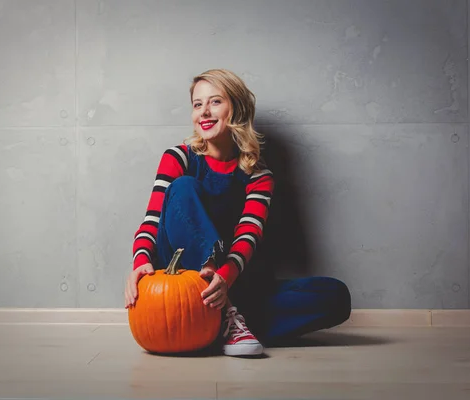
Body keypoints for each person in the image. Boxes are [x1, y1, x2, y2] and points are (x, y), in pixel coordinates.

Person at [125, 68, 351, 357]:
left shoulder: (258, 175)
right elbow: (151, 221)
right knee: (182, 188)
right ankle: (226, 318)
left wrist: (225, 278)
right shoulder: (178, 157)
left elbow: (248, 237)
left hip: (231, 280)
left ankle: (216, 321)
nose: (204, 112)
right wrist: (141, 261)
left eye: (215, 102)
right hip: (180, 278)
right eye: (197, 104)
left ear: (237, 109)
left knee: (334, 296)